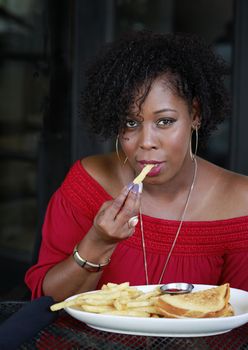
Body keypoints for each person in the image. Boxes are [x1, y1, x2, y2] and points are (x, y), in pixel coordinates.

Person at [25, 30, 248, 301]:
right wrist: (98, 242)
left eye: (165, 121)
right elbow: (47, 300)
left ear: (196, 115)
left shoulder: (240, 201)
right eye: (131, 122)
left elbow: (239, 314)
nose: (146, 142)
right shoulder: (88, 182)